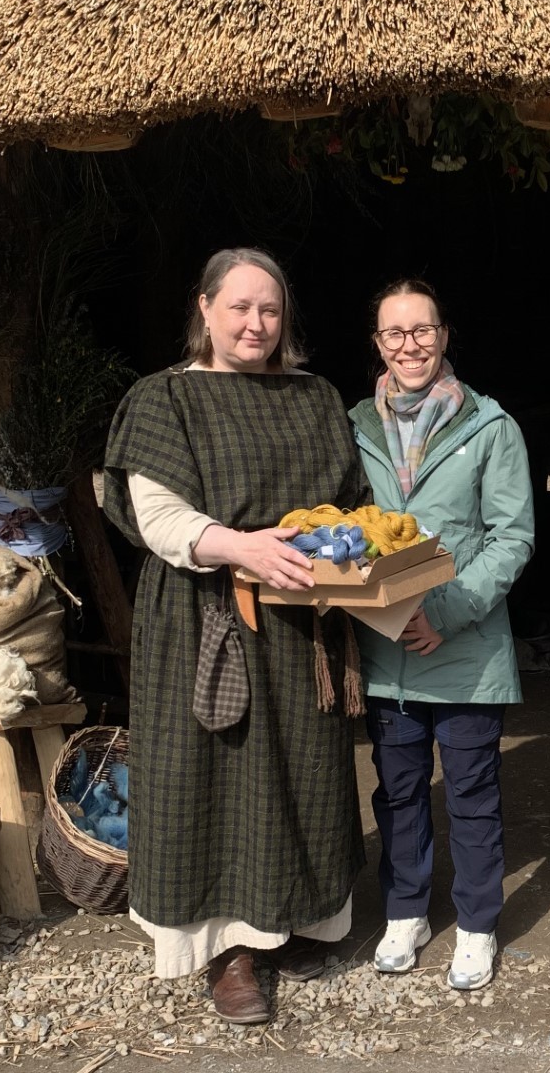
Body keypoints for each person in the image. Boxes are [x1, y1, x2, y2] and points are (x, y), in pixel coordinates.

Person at [102, 248, 369, 1025]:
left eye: (271, 310)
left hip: (302, 617)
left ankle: (303, 918)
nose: (256, 324)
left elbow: (349, 501)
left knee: (306, 771)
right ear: (206, 309)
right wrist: (243, 545)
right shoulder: (163, 400)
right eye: (241, 307)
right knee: (214, 778)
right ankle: (229, 950)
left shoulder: (314, 396)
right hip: (202, 613)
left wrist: (346, 554)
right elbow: (158, 518)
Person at [347, 278, 535, 992]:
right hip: (385, 649)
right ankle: (405, 912)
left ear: (444, 336)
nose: (409, 345)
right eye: (394, 333)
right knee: (395, 790)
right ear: (378, 344)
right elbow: (340, 526)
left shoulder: (491, 427)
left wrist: (447, 611)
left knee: (471, 792)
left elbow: (512, 538)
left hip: (465, 651)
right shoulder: (355, 426)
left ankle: (479, 923)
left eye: (422, 330)